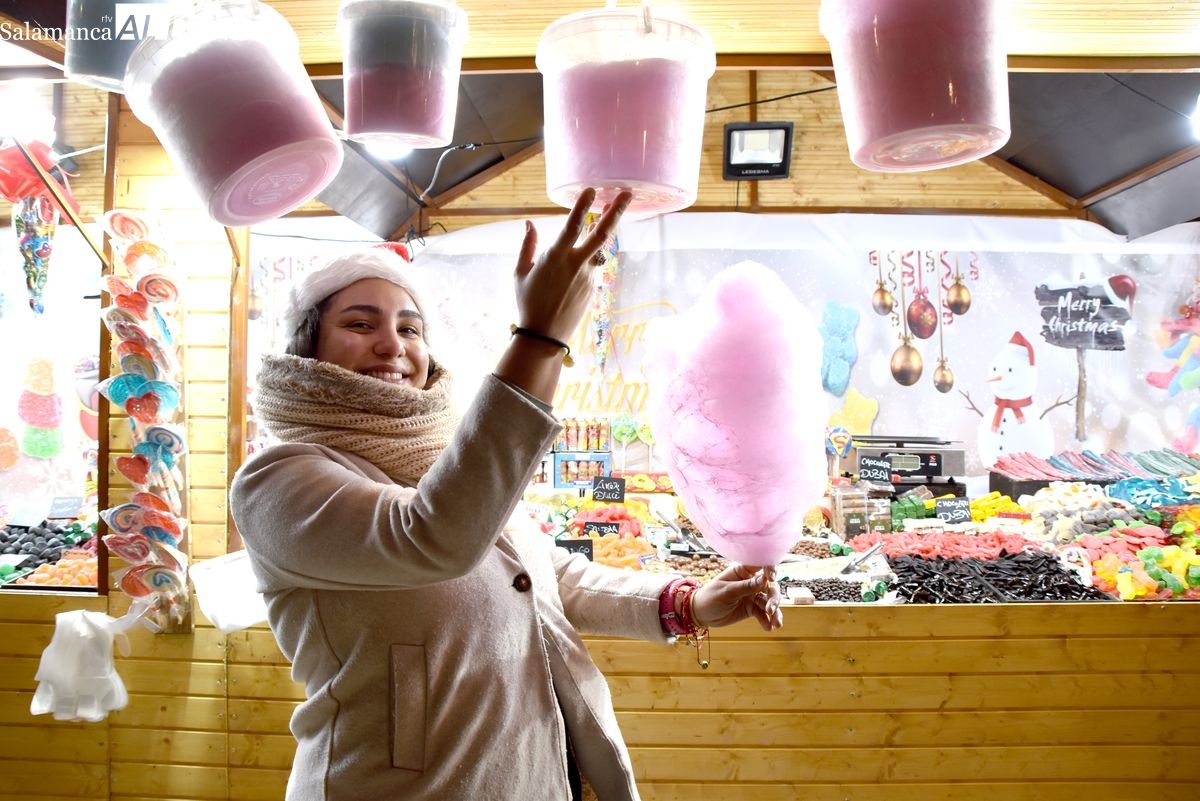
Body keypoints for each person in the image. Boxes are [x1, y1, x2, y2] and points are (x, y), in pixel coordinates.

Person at [229, 188, 784, 801]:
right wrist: (541, 337)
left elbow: (547, 576)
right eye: (360, 324)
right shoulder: (279, 481)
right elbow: (431, 537)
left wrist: (687, 603)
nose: (392, 345)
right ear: (308, 347)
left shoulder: (447, 463)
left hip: (529, 777)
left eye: (409, 327)